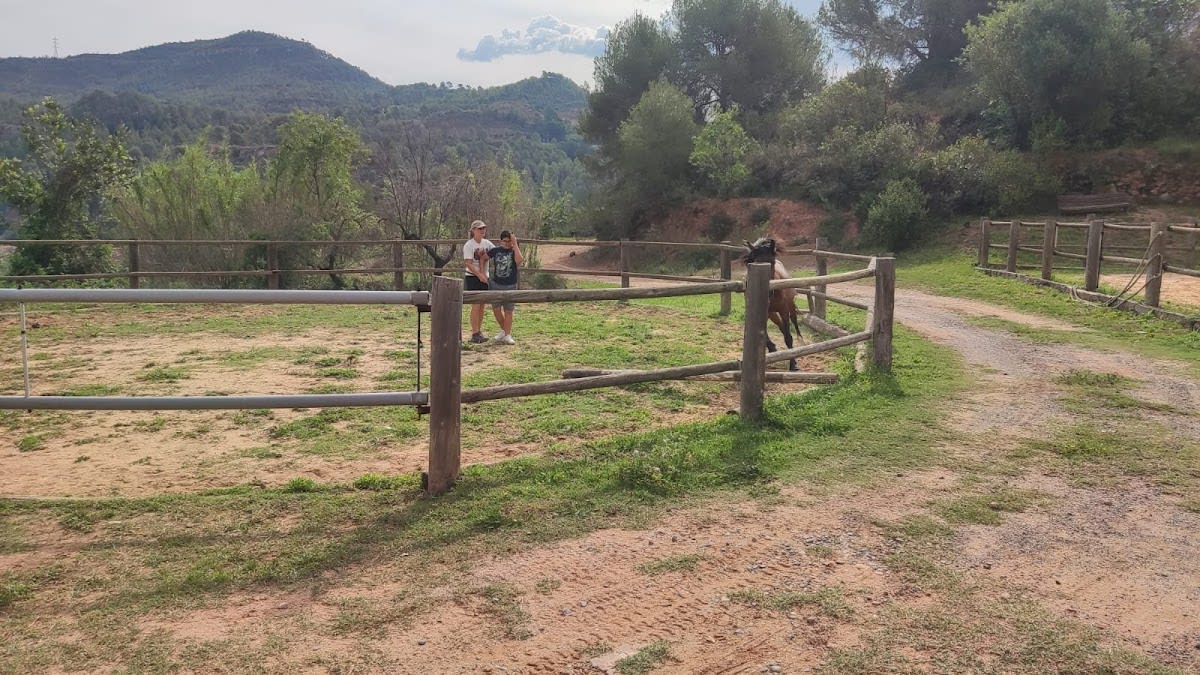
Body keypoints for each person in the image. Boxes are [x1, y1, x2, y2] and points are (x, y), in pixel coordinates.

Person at [483, 230, 524, 344]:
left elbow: (519, 260)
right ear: (500, 241)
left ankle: (507, 335)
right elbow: (483, 258)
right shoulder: (495, 251)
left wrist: (515, 244)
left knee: (508, 311)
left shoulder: (514, 251)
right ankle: (504, 330)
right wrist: (483, 274)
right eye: (504, 241)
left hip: (510, 285)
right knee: (496, 309)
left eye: (509, 241)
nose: (506, 243)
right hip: (496, 284)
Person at [462, 220, 493, 344]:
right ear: (473, 230)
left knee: (482, 304)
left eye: (484, 228)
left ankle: (479, 331)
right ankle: (474, 332)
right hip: (472, 277)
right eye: (480, 229)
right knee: (475, 304)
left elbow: (495, 252)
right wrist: (479, 274)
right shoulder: (469, 245)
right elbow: (468, 263)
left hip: (484, 277)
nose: (482, 231)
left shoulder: (487, 243)